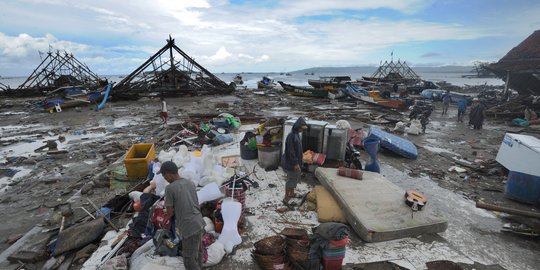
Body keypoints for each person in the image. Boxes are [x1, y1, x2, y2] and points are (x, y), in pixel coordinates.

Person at [162, 161, 204, 270]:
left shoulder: (170, 188)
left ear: (169, 174)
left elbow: (170, 213)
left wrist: (167, 211)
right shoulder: (190, 183)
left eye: (164, 175)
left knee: (189, 261)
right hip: (199, 222)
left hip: (188, 227)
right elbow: (194, 202)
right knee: (198, 252)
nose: (164, 178)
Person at [280, 117, 308, 206]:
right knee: (291, 179)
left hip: (295, 162)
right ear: (298, 127)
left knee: (294, 179)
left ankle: (291, 194)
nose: (302, 130)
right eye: (301, 128)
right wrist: (295, 163)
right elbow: (291, 152)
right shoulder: (291, 136)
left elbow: (297, 150)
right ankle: (286, 197)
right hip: (291, 163)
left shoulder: (297, 134)